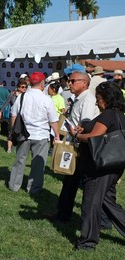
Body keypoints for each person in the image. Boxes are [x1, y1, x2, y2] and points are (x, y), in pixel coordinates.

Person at [72, 81, 125, 250]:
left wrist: (77, 135)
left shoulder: (107, 115)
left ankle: (88, 241)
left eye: (99, 98)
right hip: (113, 165)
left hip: (99, 168)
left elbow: (93, 138)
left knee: (91, 203)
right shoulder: (119, 115)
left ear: (107, 99)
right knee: (107, 203)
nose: (96, 102)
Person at [52, 70, 100, 222]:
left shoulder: (87, 100)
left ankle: (101, 219)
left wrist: (75, 130)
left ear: (84, 83)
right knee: (70, 182)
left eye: (73, 81)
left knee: (82, 184)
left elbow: (86, 124)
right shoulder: (79, 98)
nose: (69, 83)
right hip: (76, 145)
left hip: (82, 147)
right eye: (69, 81)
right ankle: (63, 213)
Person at [8, 72, 60, 194]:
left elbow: (13, 115)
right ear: (42, 83)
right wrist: (57, 135)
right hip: (41, 135)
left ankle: (14, 185)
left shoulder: (22, 96)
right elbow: (53, 120)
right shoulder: (46, 99)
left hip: (23, 134)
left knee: (19, 160)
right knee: (38, 164)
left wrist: (13, 131)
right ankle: (33, 188)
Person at [0, 80, 28, 153]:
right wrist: (0, 112)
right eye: (22, 87)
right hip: (14, 115)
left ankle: (19, 147)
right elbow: (6, 103)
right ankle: (9, 148)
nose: (24, 88)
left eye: (26, 87)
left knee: (22, 132)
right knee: (11, 131)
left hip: (23, 116)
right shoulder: (13, 94)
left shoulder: (27, 95)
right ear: (18, 87)